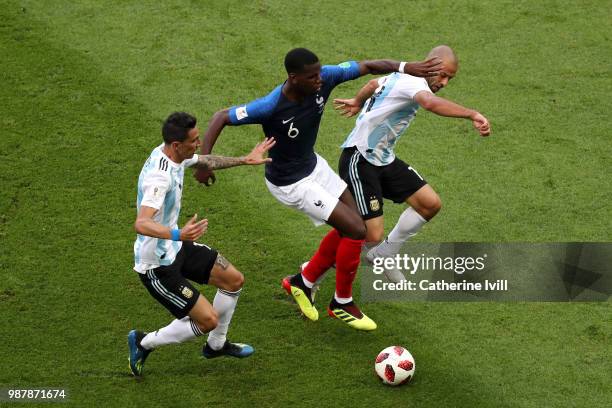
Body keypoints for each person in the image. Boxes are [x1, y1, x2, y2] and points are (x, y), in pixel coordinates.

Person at [194, 48, 441, 331]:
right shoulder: (271, 105)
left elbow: (370, 65)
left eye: (320, 73)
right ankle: (342, 302)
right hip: (290, 183)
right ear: (293, 78)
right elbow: (221, 116)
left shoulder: (326, 77)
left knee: (356, 224)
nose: (319, 80)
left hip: (314, 167)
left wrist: (407, 66)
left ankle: (302, 281)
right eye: (312, 77)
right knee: (357, 231)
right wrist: (204, 163)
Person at [128, 112, 275, 377]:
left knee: (233, 279)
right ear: (176, 145)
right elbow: (141, 223)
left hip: (177, 245)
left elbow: (205, 160)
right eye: (194, 141)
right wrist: (178, 235)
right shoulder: (158, 179)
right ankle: (143, 342)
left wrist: (245, 159)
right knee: (207, 320)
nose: (198, 144)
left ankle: (216, 346)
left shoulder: (173, 154)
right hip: (157, 264)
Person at [333, 45, 491, 282]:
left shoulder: (405, 75)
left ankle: (385, 254)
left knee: (429, 204)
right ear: (432, 65)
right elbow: (429, 103)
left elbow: (373, 84)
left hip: (383, 159)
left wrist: (357, 101)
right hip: (360, 158)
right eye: (443, 75)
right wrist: (471, 114)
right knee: (369, 234)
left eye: (450, 78)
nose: (445, 83)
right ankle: (311, 272)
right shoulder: (414, 84)